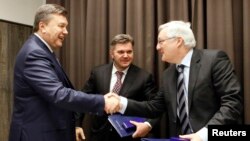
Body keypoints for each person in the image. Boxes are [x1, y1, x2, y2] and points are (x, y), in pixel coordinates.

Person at [111, 21, 243, 141]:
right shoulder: (168, 74)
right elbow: (154, 107)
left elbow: (232, 102)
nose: (157, 47)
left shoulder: (214, 60)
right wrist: (120, 102)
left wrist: (203, 135)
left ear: (178, 41)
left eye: (161, 41)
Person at [8, 4, 119, 141]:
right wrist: (102, 101)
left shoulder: (43, 50)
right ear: (42, 26)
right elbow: (59, 94)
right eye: (61, 26)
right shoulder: (34, 53)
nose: (66, 31)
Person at [75, 34, 160, 141]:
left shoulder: (144, 77)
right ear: (112, 54)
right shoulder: (98, 73)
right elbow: (83, 98)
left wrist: (147, 125)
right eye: (121, 52)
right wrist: (77, 125)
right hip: (99, 135)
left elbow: (156, 107)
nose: (126, 55)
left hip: (129, 135)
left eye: (129, 52)